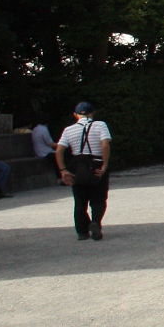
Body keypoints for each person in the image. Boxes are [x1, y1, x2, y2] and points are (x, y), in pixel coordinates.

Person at [55, 101, 113, 241]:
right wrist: (104, 165)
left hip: (77, 164)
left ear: (75, 115)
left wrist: (63, 170)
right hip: (96, 162)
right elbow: (105, 145)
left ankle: (82, 231)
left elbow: (59, 150)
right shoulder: (100, 125)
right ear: (92, 113)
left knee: (80, 200)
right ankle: (95, 223)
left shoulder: (68, 130)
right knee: (98, 198)